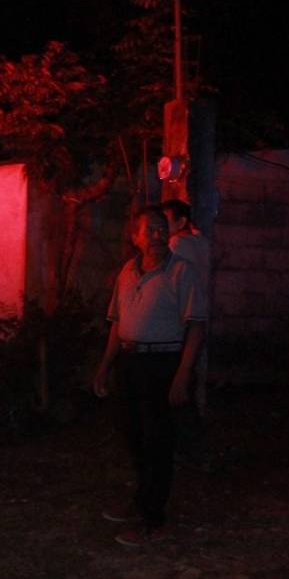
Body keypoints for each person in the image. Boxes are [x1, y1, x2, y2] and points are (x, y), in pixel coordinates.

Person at [92, 207, 207, 548]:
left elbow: (196, 327)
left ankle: (153, 520)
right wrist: (104, 366)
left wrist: (182, 376)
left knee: (158, 441)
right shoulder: (128, 271)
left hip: (163, 363)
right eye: (150, 230)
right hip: (130, 362)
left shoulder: (181, 271)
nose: (157, 235)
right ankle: (142, 498)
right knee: (133, 436)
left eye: (161, 229)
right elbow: (116, 322)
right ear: (136, 237)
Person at [161, 199, 213, 468]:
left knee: (175, 386)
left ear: (181, 222)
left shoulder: (177, 246)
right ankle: (191, 448)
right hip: (196, 317)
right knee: (184, 384)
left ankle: (183, 448)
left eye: (165, 221)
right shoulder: (201, 242)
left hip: (178, 323)